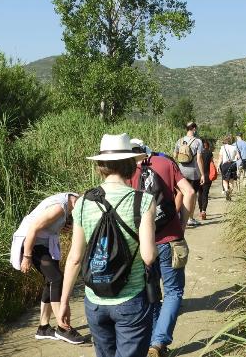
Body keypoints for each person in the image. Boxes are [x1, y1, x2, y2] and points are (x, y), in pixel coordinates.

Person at [58, 133, 158, 357]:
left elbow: (75, 258)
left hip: (95, 300)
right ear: (131, 164)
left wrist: (64, 301)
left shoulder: (83, 202)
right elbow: (149, 256)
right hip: (131, 298)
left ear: (100, 166)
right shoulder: (143, 200)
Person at [130, 138, 195, 357]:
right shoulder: (165, 163)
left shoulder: (126, 172)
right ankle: (158, 342)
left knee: (152, 293)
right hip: (170, 239)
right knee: (174, 291)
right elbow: (189, 192)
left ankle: (155, 342)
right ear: (146, 149)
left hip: (142, 243)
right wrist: (182, 224)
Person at [9, 192, 86, 344]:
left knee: (50, 281)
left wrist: (62, 226)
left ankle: (43, 328)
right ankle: (63, 328)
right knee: (57, 279)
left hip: (44, 243)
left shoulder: (70, 203)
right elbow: (33, 228)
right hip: (32, 243)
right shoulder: (59, 207)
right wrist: (27, 256)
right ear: (79, 202)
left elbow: (49, 224)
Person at [173, 122, 205, 226]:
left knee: (180, 194)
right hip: (193, 172)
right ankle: (190, 218)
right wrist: (203, 174)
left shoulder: (179, 141)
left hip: (180, 171)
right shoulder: (198, 141)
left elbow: (174, 155)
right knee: (192, 195)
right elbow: (199, 159)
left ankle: (178, 217)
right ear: (194, 129)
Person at [216, 135, 240, 201]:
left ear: (225, 140)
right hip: (232, 165)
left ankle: (226, 190)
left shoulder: (222, 147)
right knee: (231, 180)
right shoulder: (235, 147)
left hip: (225, 165)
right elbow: (238, 157)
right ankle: (230, 193)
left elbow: (220, 158)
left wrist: (218, 166)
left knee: (225, 180)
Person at [198, 140, 216, 220]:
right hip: (208, 176)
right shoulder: (209, 153)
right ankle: (203, 211)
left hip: (199, 176)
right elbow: (212, 163)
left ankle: (200, 211)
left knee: (200, 194)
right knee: (205, 194)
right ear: (208, 146)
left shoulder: (198, 153)